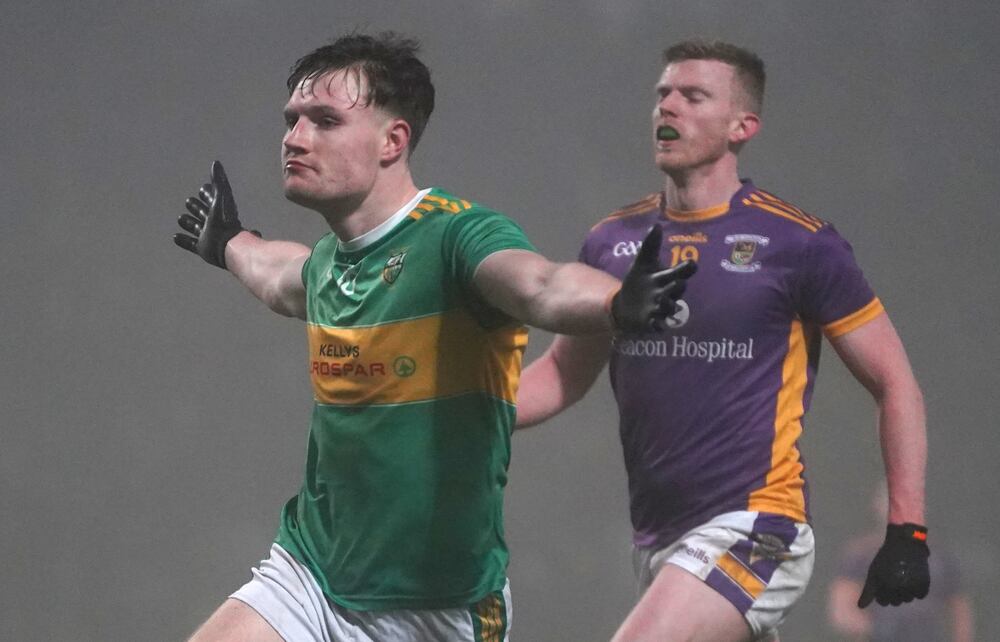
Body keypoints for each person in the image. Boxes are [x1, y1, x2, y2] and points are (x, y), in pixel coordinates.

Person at [172, 32, 694, 642]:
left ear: (392, 141)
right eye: (292, 120)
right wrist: (228, 241)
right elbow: (275, 274)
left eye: (325, 120)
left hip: (440, 611)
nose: (295, 137)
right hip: (309, 575)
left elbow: (540, 284)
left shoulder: (456, 237)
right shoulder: (327, 265)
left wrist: (614, 302)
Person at [515, 39, 930, 642]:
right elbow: (561, 375)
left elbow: (895, 383)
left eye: (693, 96)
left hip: (757, 525)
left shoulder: (799, 244)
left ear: (743, 126)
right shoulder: (612, 241)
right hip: (658, 539)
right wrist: (449, 411)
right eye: (663, 94)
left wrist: (907, 529)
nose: (668, 107)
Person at [828, 484, 973, 642]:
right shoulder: (862, 554)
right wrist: (875, 629)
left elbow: (960, 610)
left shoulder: (939, 554)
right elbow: (842, 610)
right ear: (878, 505)